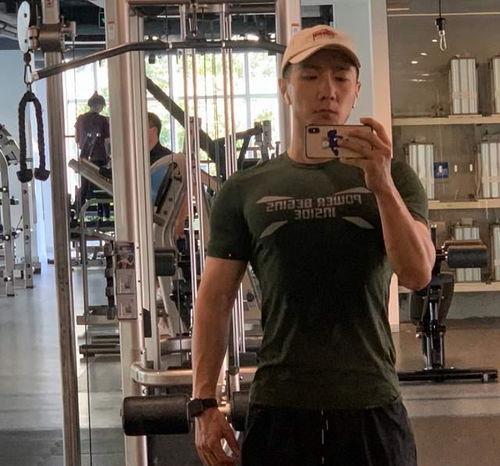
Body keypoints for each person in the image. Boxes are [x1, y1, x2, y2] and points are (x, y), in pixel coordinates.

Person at [191, 25, 436, 466]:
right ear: (285, 87)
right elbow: (215, 298)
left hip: (369, 401)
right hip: (281, 406)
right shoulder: (244, 189)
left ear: (356, 90)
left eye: (341, 77)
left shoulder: (394, 176)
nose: (328, 90)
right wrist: (204, 402)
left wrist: (381, 186)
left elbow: (418, 274)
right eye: (310, 76)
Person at [75, 91, 111, 219]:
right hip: (99, 156)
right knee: (102, 185)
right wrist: (109, 156)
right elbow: (107, 140)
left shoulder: (81, 119)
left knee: (84, 186)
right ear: (99, 105)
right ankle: (105, 214)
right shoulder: (102, 120)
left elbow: (77, 139)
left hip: (84, 157)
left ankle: (79, 213)